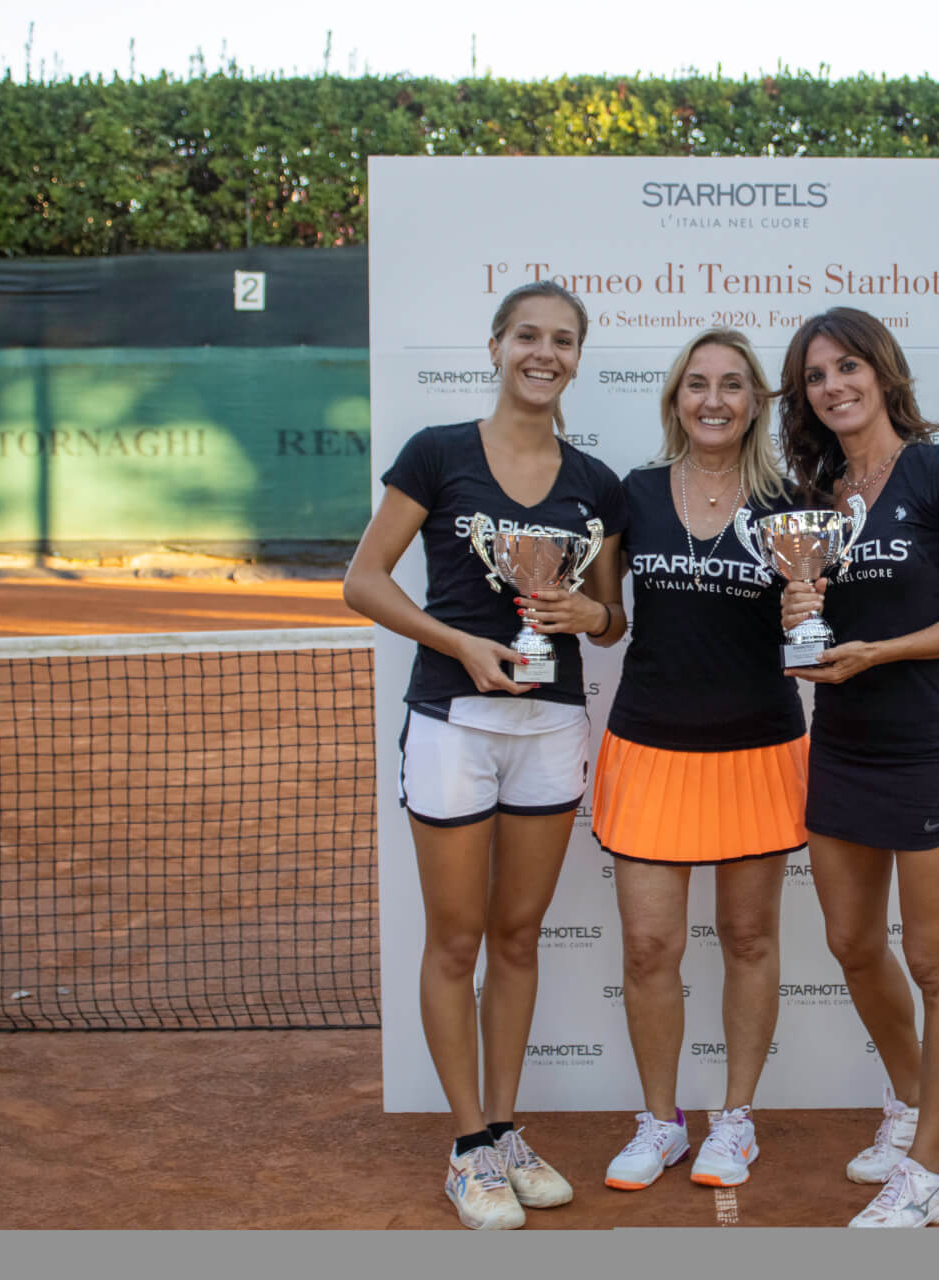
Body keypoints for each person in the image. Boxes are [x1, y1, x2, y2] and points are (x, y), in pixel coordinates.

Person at [342, 280, 628, 1231]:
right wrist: (457, 643)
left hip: (551, 727)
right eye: (529, 336)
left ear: (578, 358)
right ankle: (467, 1145)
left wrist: (590, 614)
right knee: (455, 939)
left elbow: (612, 616)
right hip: (454, 724)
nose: (544, 354)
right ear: (498, 345)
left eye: (563, 341)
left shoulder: (596, 483)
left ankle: (504, 1128)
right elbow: (363, 580)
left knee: (516, 937)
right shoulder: (437, 454)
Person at [775, 307, 939, 1228]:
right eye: (815, 376)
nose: (833, 386)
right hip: (841, 741)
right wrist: (799, 607)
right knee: (849, 941)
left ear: (883, 370)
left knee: (934, 959)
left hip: (926, 740)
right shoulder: (819, 493)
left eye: (847, 367)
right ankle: (914, 1105)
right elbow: (808, 629)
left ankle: (926, 1170)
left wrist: (881, 652)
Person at [592, 328, 808, 1194]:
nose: (712, 400)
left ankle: (736, 1122)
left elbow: (813, 630)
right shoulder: (633, 494)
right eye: (696, 384)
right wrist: (577, 614)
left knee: (750, 938)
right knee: (650, 948)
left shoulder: (793, 504)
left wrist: (808, 609)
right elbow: (609, 617)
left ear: (756, 399)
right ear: (675, 399)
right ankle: (661, 1121)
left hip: (758, 746)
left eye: (730, 384)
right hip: (649, 744)